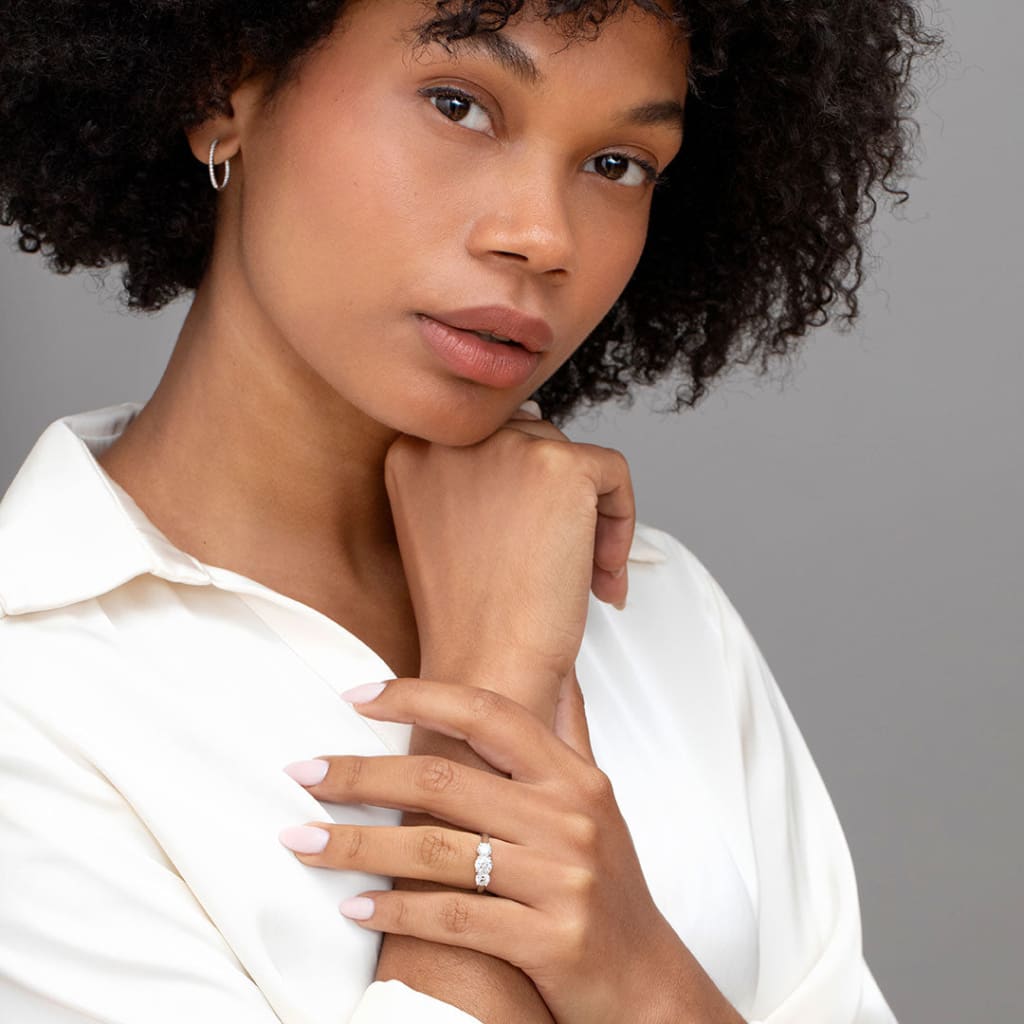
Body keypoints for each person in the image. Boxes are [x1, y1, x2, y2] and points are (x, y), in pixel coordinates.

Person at [0, 0, 942, 1021]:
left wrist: (632, 970)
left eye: (620, 163)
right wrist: (491, 684)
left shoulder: (658, 612)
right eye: (459, 104)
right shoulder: (33, 688)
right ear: (223, 91)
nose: (542, 238)